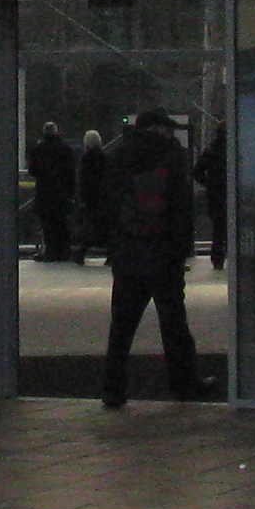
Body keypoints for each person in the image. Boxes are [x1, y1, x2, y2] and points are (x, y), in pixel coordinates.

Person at [97, 107, 201, 407]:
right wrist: (181, 248)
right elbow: (181, 205)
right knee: (173, 323)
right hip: (163, 252)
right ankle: (184, 384)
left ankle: (113, 388)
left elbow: (107, 204)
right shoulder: (171, 155)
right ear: (158, 128)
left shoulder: (119, 155)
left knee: (122, 326)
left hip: (129, 252)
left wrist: (115, 245)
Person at [27, 122, 79, 265]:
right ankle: (64, 251)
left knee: (48, 224)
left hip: (45, 192)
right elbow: (71, 172)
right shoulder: (65, 150)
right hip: (62, 192)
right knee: (62, 223)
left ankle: (51, 251)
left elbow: (33, 170)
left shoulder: (39, 150)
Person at [193, 123, 228, 271]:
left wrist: (210, 184)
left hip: (216, 195)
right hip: (226, 193)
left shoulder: (212, 150)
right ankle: (228, 258)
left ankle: (218, 259)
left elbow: (197, 172)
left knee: (219, 229)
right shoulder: (237, 148)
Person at [73, 128, 109, 267]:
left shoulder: (86, 158)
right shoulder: (104, 157)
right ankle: (110, 253)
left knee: (89, 227)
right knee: (103, 226)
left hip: (90, 197)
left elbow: (84, 179)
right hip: (103, 197)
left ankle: (81, 252)